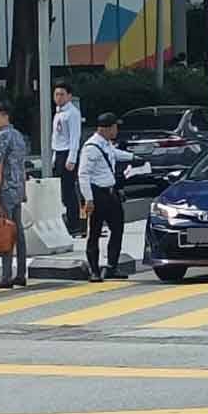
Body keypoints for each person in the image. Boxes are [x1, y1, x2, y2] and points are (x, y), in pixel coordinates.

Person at [79, 112, 137, 282]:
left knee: (117, 228)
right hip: (97, 194)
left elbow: (114, 154)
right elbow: (83, 175)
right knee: (95, 233)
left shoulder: (105, 144)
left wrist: (134, 158)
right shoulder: (91, 148)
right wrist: (88, 199)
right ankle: (95, 271)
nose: (117, 130)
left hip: (111, 193)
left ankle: (112, 266)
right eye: (115, 127)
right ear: (107, 128)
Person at [0, 101, 29, 289]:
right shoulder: (18, 135)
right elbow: (21, 164)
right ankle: (20, 274)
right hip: (18, 188)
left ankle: (5, 275)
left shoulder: (0, 137)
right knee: (18, 232)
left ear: (5, 117)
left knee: (4, 231)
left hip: (5, 189)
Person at [51, 81, 83, 235]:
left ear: (69, 96)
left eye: (62, 94)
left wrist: (72, 158)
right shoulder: (58, 112)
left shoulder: (72, 113)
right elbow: (56, 137)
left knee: (68, 190)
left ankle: (74, 222)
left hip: (66, 153)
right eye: (56, 94)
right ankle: (65, 220)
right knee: (59, 191)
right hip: (58, 153)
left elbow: (74, 137)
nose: (58, 97)